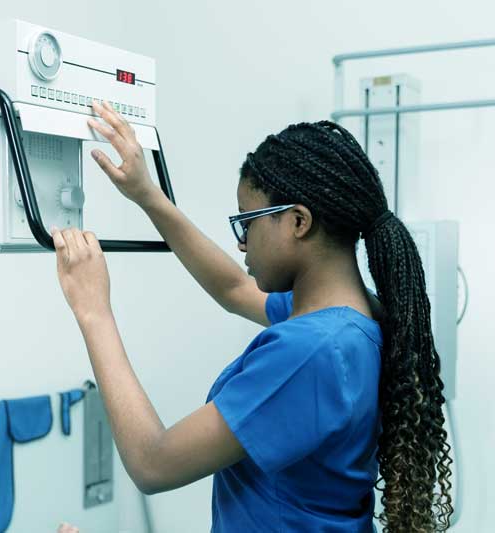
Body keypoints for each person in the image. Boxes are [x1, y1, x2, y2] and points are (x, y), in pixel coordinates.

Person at [50, 101, 453, 532]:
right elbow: (234, 288)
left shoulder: (310, 352)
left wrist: (94, 310)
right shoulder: (354, 319)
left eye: (249, 223)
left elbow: (153, 463)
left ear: (299, 222)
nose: (242, 244)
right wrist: (148, 196)